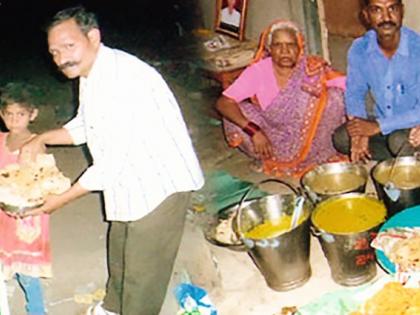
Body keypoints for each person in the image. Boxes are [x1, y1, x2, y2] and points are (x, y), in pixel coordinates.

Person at [20, 6, 204, 315]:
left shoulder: (121, 78)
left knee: (143, 273)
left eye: (68, 46)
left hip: (159, 184)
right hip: (130, 182)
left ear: (92, 37)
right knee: (120, 252)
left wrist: (59, 200)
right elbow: (85, 124)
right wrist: (40, 138)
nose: (62, 58)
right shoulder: (93, 72)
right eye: (54, 52)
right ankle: (112, 308)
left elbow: (110, 165)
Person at [215, 20, 346, 178]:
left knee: (333, 96)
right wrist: (254, 131)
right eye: (278, 45)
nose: (284, 51)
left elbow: (349, 86)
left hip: (312, 141)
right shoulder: (259, 71)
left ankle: (320, 155)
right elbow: (223, 103)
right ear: (269, 49)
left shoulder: (312, 69)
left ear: (299, 47)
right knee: (235, 112)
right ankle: (267, 157)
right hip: (269, 136)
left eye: (290, 45)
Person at [333, 0, 420, 162]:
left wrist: (377, 126)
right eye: (377, 10)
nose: (386, 17)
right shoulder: (360, 48)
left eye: (392, 8)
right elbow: (355, 93)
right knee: (342, 138)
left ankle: (405, 157)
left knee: (398, 142)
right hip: (382, 120)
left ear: (402, 11)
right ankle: (402, 159)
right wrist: (360, 130)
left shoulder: (417, 49)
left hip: (413, 125)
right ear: (366, 15)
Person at [0, 83, 50, 315]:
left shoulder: (35, 144)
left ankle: (37, 309)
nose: (14, 120)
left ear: (33, 114)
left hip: (26, 217)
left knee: (26, 268)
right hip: (2, 214)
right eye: (8, 114)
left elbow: (46, 180)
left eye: (20, 114)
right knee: (4, 259)